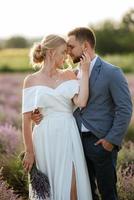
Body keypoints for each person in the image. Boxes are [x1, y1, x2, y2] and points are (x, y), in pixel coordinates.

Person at [32, 28, 133, 200]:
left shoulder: (112, 72)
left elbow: (125, 109)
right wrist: (40, 114)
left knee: (108, 193)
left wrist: (111, 140)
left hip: (101, 143)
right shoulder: (73, 74)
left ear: (85, 46)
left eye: (71, 47)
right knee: (85, 194)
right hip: (74, 142)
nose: (68, 51)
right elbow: (66, 103)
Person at [22, 34, 93, 200]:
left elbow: (81, 101)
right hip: (43, 138)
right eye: (63, 52)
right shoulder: (31, 81)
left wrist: (85, 71)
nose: (66, 57)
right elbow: (25, 121)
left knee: (72, 189)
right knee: (48, 191)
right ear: (51, 52)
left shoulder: (69, 75)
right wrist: (29, 151)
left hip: (68, 134)